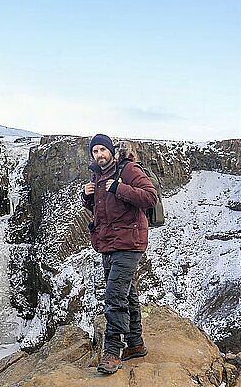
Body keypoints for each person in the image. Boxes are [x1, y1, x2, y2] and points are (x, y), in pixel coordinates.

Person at [81, 133, 158, 374]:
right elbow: (102, 211)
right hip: (109, 244)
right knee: (128, 294)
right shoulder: (98, 175)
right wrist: (88, 197)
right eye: (95, 151)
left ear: (111, 151)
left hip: (129, 243)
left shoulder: (128, 170)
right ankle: (135, 344)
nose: (99, 155)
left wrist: (119, 187)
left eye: (103, 150)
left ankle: (113, 352)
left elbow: (150, 197)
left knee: (115, 297)